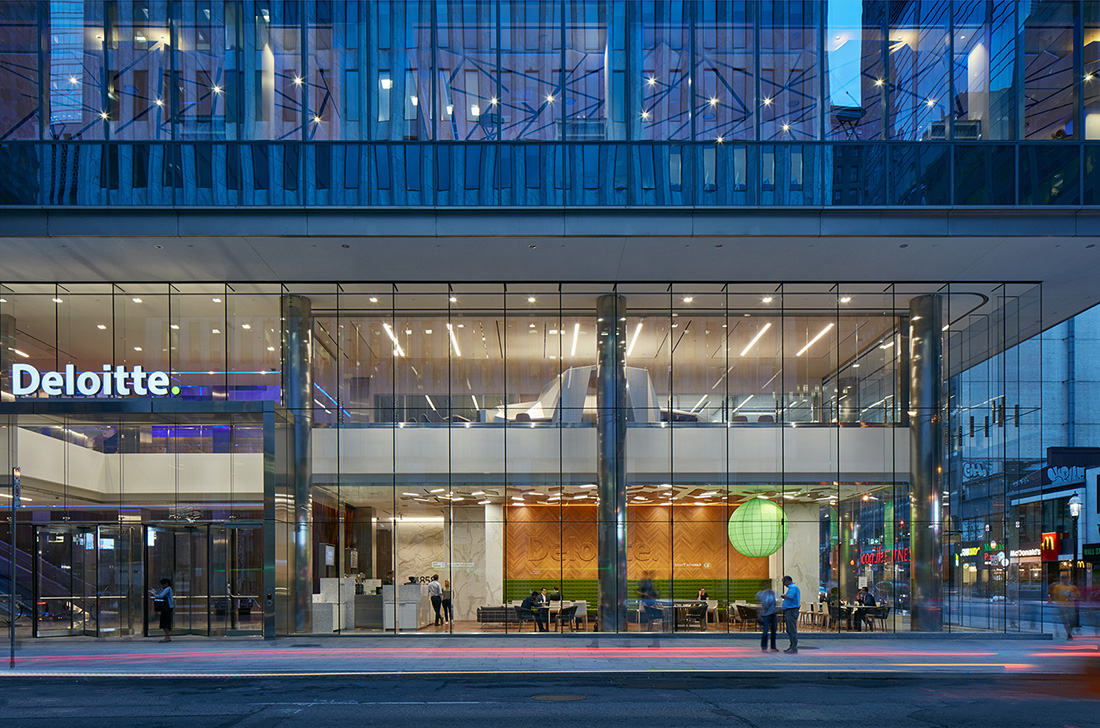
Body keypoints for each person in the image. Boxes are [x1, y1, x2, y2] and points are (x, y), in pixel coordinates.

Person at [1051, 571, 1080, 640]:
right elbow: (1054, 595)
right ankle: (1068, 633)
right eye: (1064, 579)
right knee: (1065, 619)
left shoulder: (1073, 587)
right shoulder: (1058, 587)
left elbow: (1077, 595)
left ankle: (1069, 631)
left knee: (1072, 620)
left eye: (1066, 578)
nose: (1065, 580)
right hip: (1062, 605)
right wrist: (1058, 602)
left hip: (1070, 605)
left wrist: (1073, 598)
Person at [781, 575, 801, 653]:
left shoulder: (793, 587)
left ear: (788, 581)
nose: (784, 584)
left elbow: (790, 597)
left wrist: (783, 596)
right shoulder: (792, 587)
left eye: (784, 582)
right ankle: (792, 646)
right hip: (790, 611)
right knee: (789, 629)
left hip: (791, 611)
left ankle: (794, 647)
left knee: (792, 629)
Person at [151, 578, 174, 643]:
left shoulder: (167, 589)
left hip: (167, 608)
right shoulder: (167, 589)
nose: (162, 586)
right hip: (168, 608)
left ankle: (167, 636)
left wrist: (154, 594)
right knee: (165, 622)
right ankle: (167, 636)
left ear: (166, 583)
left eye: (162, 584)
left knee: (165, 623)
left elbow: (160, 596)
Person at [756, 585, 778, 652]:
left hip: (773, 613)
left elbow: (775, 602)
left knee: (773, 631)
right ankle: (764, 647)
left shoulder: (772, 593)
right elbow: (760, 603)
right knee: (765, 631)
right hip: (765, 614)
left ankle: (773, 646)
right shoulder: (761, 594)